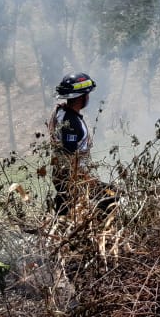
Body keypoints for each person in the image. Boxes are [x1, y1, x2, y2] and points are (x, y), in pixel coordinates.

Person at [48, 72, 101, 216]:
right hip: (72, 181)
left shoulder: (61, 111)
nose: (88, 98)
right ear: (81, 98)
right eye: (87, 95)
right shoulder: (71, 122)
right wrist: (88, 180)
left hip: (63, 177)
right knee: (110, 199)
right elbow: (70, 158)